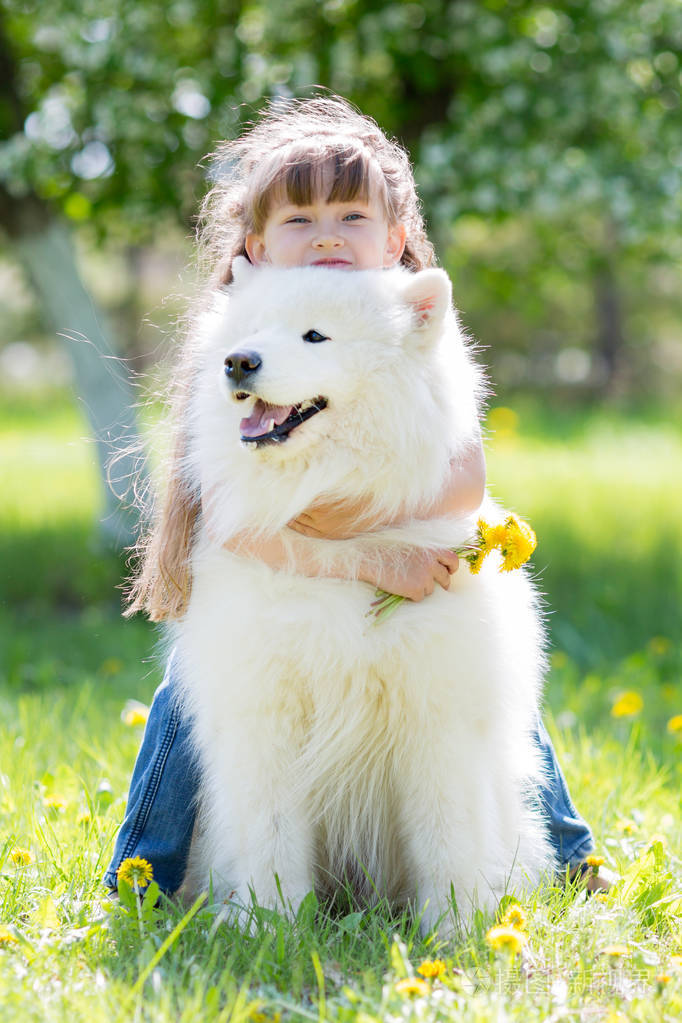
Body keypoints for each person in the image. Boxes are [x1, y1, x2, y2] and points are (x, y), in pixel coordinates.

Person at [104, 95, 606, 900]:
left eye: (350, 214)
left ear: (395, 239)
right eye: (301, 219)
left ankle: (570, 852)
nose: (329, 235)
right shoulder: (241, 321)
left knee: (483, 693)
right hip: (278, 576)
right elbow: (233, 522)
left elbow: (466, 474)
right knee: (192, 693)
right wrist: (362, 552)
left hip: (409, 566)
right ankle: (140, 868)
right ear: (258, 247)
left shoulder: (407, 318)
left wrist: (371, 530)